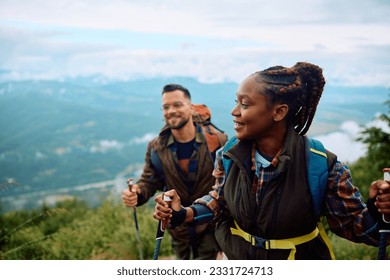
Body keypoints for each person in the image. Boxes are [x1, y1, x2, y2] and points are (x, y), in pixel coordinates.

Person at [153, 62, 390, 260]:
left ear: (278, 112)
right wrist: (183, 213)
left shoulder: (322, 166)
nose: (234, 112)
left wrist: (380, 211)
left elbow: (359, 228)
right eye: (236, 102)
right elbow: (220, 200)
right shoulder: (229, 154)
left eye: (244, 104)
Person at [121, 83, 228, 260]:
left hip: (211, 228)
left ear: (191, 108)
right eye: (166, 107)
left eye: (177, 104)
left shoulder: (216, 140)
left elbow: (228, 184)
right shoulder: (157, 147)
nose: (171, 110)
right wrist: (137, 193)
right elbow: (149, 181)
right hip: (178, 231)